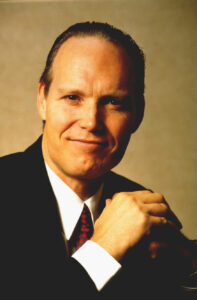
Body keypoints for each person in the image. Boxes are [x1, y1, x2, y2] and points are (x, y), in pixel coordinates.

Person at [1, 22, 196, 299]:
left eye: (113, 102)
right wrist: (102, 250)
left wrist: (190, 263)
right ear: (42, 99)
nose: (91, 122)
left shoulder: (146, 211)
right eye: (72, 97)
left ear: (137, 115)